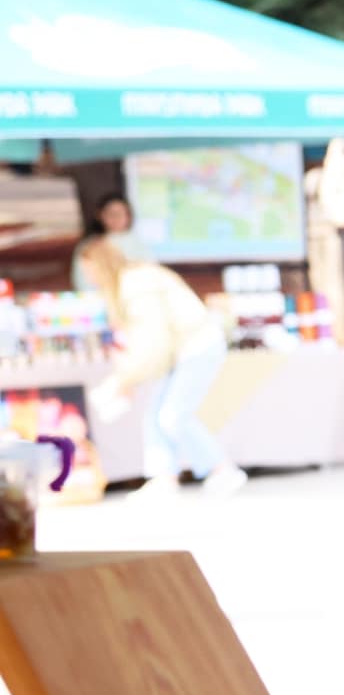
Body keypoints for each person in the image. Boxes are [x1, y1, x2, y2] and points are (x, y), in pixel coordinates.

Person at [75, 238, 245, 498]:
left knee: (173, 415)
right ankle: (164, 477)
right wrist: (130, 377)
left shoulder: (136, 285)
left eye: (89, 271)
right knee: (157, 415)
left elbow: (153, 340)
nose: (88, 278)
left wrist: (126, 379)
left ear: (101, 266)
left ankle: (222, 470)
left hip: (196, 347)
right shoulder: (134, 280)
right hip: (183, 351)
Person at [71, 191, 146, 292]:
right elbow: (82, 283)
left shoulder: (139, 244)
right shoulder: (89, 246)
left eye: (120, 213)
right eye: (111, 213)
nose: (116, 218)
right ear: (100, 215)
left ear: (128, 216)